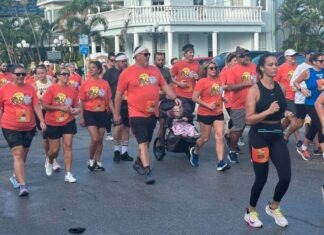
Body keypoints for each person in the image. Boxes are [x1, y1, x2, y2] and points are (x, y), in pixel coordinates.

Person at [115, 46, 181, 184]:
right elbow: (119, 94)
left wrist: (174, 97)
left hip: (152, 112)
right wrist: (116, 113)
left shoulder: (154, 70)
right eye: (145, 54)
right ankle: (147, 170)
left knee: (147, 142)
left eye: (149, 54)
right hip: (136, 113)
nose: (148, 56)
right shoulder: (127, 73)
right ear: (137, 56)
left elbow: (164, 86)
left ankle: (138, 162)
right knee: (143, 142)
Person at [244, 53, 291, 228]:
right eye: (271, 64)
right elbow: (249, 119)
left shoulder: (281, 87)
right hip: (259, 136)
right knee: (261, 178)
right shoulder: (255, 90)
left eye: (276, 64)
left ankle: (273, 207)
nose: (275, 67)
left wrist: (286, 115)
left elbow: (280, 113)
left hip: (276, 135)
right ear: (262, 68)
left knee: (285, 177)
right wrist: (268, 111)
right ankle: (250, 212)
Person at [0, 65, 46, 196]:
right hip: (10, 126)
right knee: (18, 153)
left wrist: (42, 120)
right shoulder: (4, 89)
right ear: (12, 75)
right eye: (18, 74)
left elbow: (35, 105)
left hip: (28, 126)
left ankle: (15, 176)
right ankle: (23, 186)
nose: (20, 77)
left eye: (23, 74)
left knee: (23, 155)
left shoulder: (30, 89)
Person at [191, 61, 230, 171]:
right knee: (205, 138)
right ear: (206, 70)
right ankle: (195, 151)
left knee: (219, 136)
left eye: (215, 67)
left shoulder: (219, 80)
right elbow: (194, 97)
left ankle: (221, 162)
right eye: (211, 68)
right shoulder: (202, 82)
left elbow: (216, 94)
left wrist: (223, 99)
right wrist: (208, 105)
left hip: (218, 113)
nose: (213, 69)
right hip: (205, 113)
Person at [42, 67, 79, 182]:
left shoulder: (72, 90)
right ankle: (50, 160)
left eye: (67, 74)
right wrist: (60, 107)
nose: (66, 76)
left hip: (68, 121)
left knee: (68, 146)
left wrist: (76, 110)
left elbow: (76, 105)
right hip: (53, 122)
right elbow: (45, 106)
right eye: (63, 74)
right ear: (57, 76)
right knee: (54, 150)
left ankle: (68, 173)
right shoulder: (52, 89)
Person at [79, 61, 115, 171]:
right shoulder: (85, 83)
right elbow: (82, 101)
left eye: (93, 67)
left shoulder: (105, 83)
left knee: (100, 140)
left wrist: (115, 113)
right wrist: (81, 117)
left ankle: (98, 161)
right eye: (90, 68)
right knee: (95, 138)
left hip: (102, 113)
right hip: (89, 112)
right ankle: (91, 160)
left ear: (99, 70)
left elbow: (109, 100)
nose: (91, 69)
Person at [225, 47, 257, 163]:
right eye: (243, 56)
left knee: (257, 129)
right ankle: (232, 151)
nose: (246, 58)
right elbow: (230, 87)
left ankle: (255, 152)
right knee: (238, 130)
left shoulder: (254, 67)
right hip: (239, 104)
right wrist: (246, 83)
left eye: (248, 56)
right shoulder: (233, 70)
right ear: (237, 58)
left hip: (255, 103)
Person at [102, 53, 133, 162]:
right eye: (123, 61)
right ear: (117, 62)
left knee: (126, 127)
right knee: (118, 126)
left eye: (126, 61)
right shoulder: (109, 74)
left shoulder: (129, 72)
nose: (125, 63)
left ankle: (124, 152)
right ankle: (116, 151)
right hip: (115, 103)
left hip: (127, 102)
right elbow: (104, 89)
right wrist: (108, 105)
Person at [294, 52, 324, 160]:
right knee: (321, 126)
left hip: (322, 103)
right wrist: (302, 89)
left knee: (315, 127)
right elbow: (296, 82)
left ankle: (303, 147)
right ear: (314, 62)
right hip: (311, 103)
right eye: (321, 61)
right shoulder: (308, 72)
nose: (323, 63)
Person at [34, 65, 61, 172]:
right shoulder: (35, 85)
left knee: (53, 138)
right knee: (45, 137)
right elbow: (34, 100)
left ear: (47, 73)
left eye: (43, 73)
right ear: (36, 74)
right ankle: (49, 158)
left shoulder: (52, 83)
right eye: (39, 73)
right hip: (40, 112)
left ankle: (53, 160)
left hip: (51, 111)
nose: (41, 75)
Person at [274, 49, 301, 145]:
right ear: (286, 57)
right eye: (291, 56)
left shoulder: (299, 67)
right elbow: (275, 82)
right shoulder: (281, 68)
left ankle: (277, 134)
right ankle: (298, 141)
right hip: (287, 97)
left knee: (288, 120)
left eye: (295, 55)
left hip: (298, 97)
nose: (293, 57)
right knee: (294, 120)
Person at [171, 43, 200, 115]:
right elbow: (170, 77)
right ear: (185, 53)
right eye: (190, 52)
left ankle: (187, 125)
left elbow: (201, 79)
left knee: (190, 113)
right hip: (181, 95)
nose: (192, 54)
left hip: (192, 95)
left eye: (193, 52)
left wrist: (198, 77)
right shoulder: (178, 64)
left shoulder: (197, 64)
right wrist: (178, 83)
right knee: (185, 112)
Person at [154, 52, 172, 147]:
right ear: (154, 60)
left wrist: (171, 95)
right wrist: (162, 92)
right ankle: (158, 142)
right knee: (159, 123)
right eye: (158, 60)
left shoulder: (166, 72)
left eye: (162, 59)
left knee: (164, 122)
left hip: (164, 102)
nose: (161, 61)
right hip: (153, 102)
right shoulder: (151, 71)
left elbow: (170, 87)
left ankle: (160, 141)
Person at [220, 53, 237, 147]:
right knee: (235, 120)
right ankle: (230, 137)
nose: (236, 62)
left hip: (240, 100)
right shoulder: (224, 72)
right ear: (229, 62)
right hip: (229, 100)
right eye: (234, 60)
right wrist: (232, 86)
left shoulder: (238, 71)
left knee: (238, 120)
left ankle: (229, 134)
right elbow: (221, 86)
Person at [104, 52, 116, 141]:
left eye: (115, 60)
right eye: (112, 60)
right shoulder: (106, 73)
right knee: (108, 115)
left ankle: (116, 133)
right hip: (108, 98)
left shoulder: (118, 71)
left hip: (117, 97)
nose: (113, 62)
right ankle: (108, 133)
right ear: (108, 60)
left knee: (116, 116)